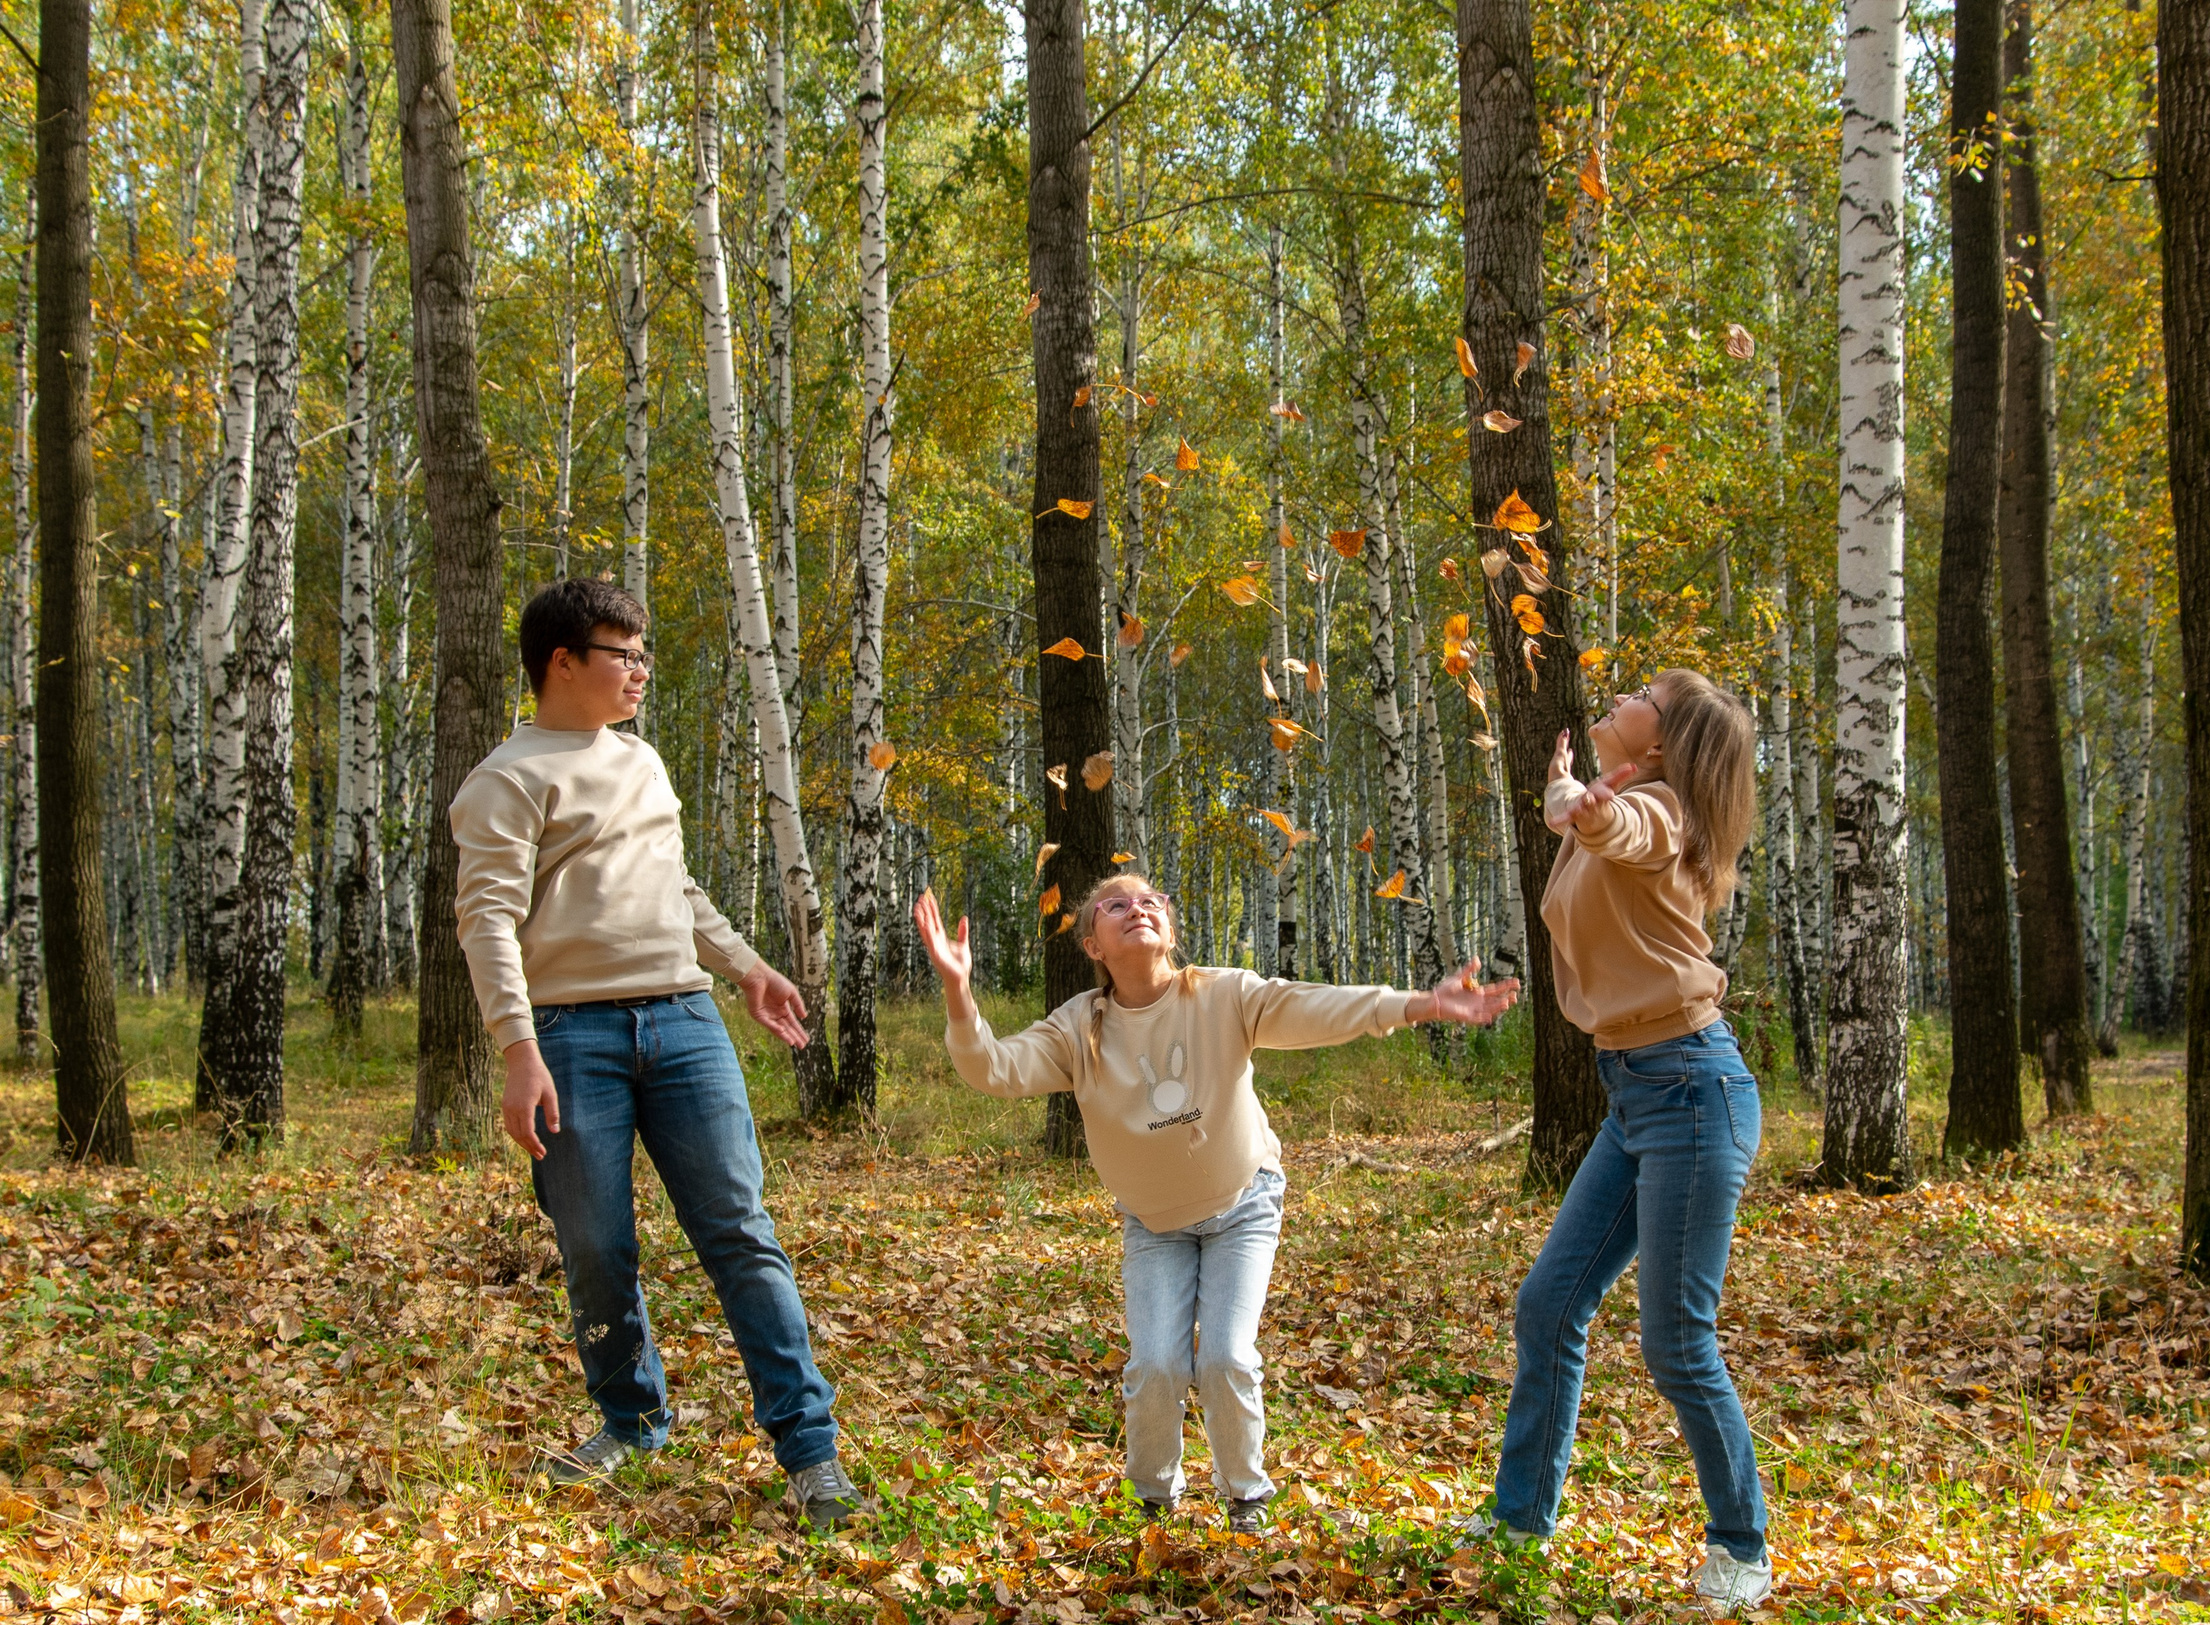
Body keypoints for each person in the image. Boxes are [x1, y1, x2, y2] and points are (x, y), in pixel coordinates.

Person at [915, 875, 1517, 1533]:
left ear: (1169, 931)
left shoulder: (1221, 994)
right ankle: (1151, 1496)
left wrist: (1422, 1004)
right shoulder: (1078, 1028)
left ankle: (1247, 1496)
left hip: (1243, 1202)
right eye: (1115, 904)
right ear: (1093, 942)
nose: (1137, 908)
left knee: (1226, 1356)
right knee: (1156, 1364)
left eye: (1150, 901)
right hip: (1155, 1224)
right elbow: (993, 1069)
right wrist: (957, 989)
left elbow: (1314, 1006)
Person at [450, 577, 858, 1530]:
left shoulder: (642, 761)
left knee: (742, 1233)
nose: (639, 672)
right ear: (563, 663)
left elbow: (674, 884)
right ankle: (631, 1422)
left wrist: (746, 967)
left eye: (643, 656)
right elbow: (488, 923)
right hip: (568, 1037)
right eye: (621, 655)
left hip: (684, 1023)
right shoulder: (506, 780)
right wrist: (517, 1050)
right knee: (597, 1247)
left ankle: (811, 1452)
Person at [1468, 668, 1771, 1612]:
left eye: (1646, 689)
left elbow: (1620, 830)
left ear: (1662, 741)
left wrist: (1576, 804)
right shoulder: (1628, 800)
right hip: (1637, 1091)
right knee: (1549, 1304)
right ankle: (1521, 1515)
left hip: (1691, 1086)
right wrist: (1574, 803)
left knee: (1678, 1341)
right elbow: (1596, 831)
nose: (1623, 687)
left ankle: (1742, 1547)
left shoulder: (1665, 812)